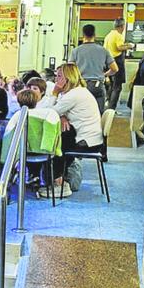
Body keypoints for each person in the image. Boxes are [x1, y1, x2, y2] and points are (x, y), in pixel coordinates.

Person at [42, 64, 104, 197]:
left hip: (86, 141)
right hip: (90, 138)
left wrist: (54, 93)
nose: (55, 80)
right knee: (62, 138)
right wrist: (62, 115)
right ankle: (57, 179)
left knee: (57, 145)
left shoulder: (73, 95)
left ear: (68, 78)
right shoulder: (76, 92)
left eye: (59, 76)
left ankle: (58, 183)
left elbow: (47, 112)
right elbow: (58, 110)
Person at [69, 24, 119, 113]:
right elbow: (115, 69)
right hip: (97, 86)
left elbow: (69, 70)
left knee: (81, 113)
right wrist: (105, 74)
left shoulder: (75, 51)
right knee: (98, 115)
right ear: (94, 35)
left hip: (81, 86)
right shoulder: (103, 50)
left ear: (83, 35)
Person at [103, 18, 134, 110]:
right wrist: (130, 46)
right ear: (122, 26)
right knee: (117, 87)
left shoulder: (109, 35)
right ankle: (112, 109)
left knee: (111, 86)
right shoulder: (118, 35)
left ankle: (108, 106)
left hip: (108, 61)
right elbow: (119, 47)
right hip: (117, 62)